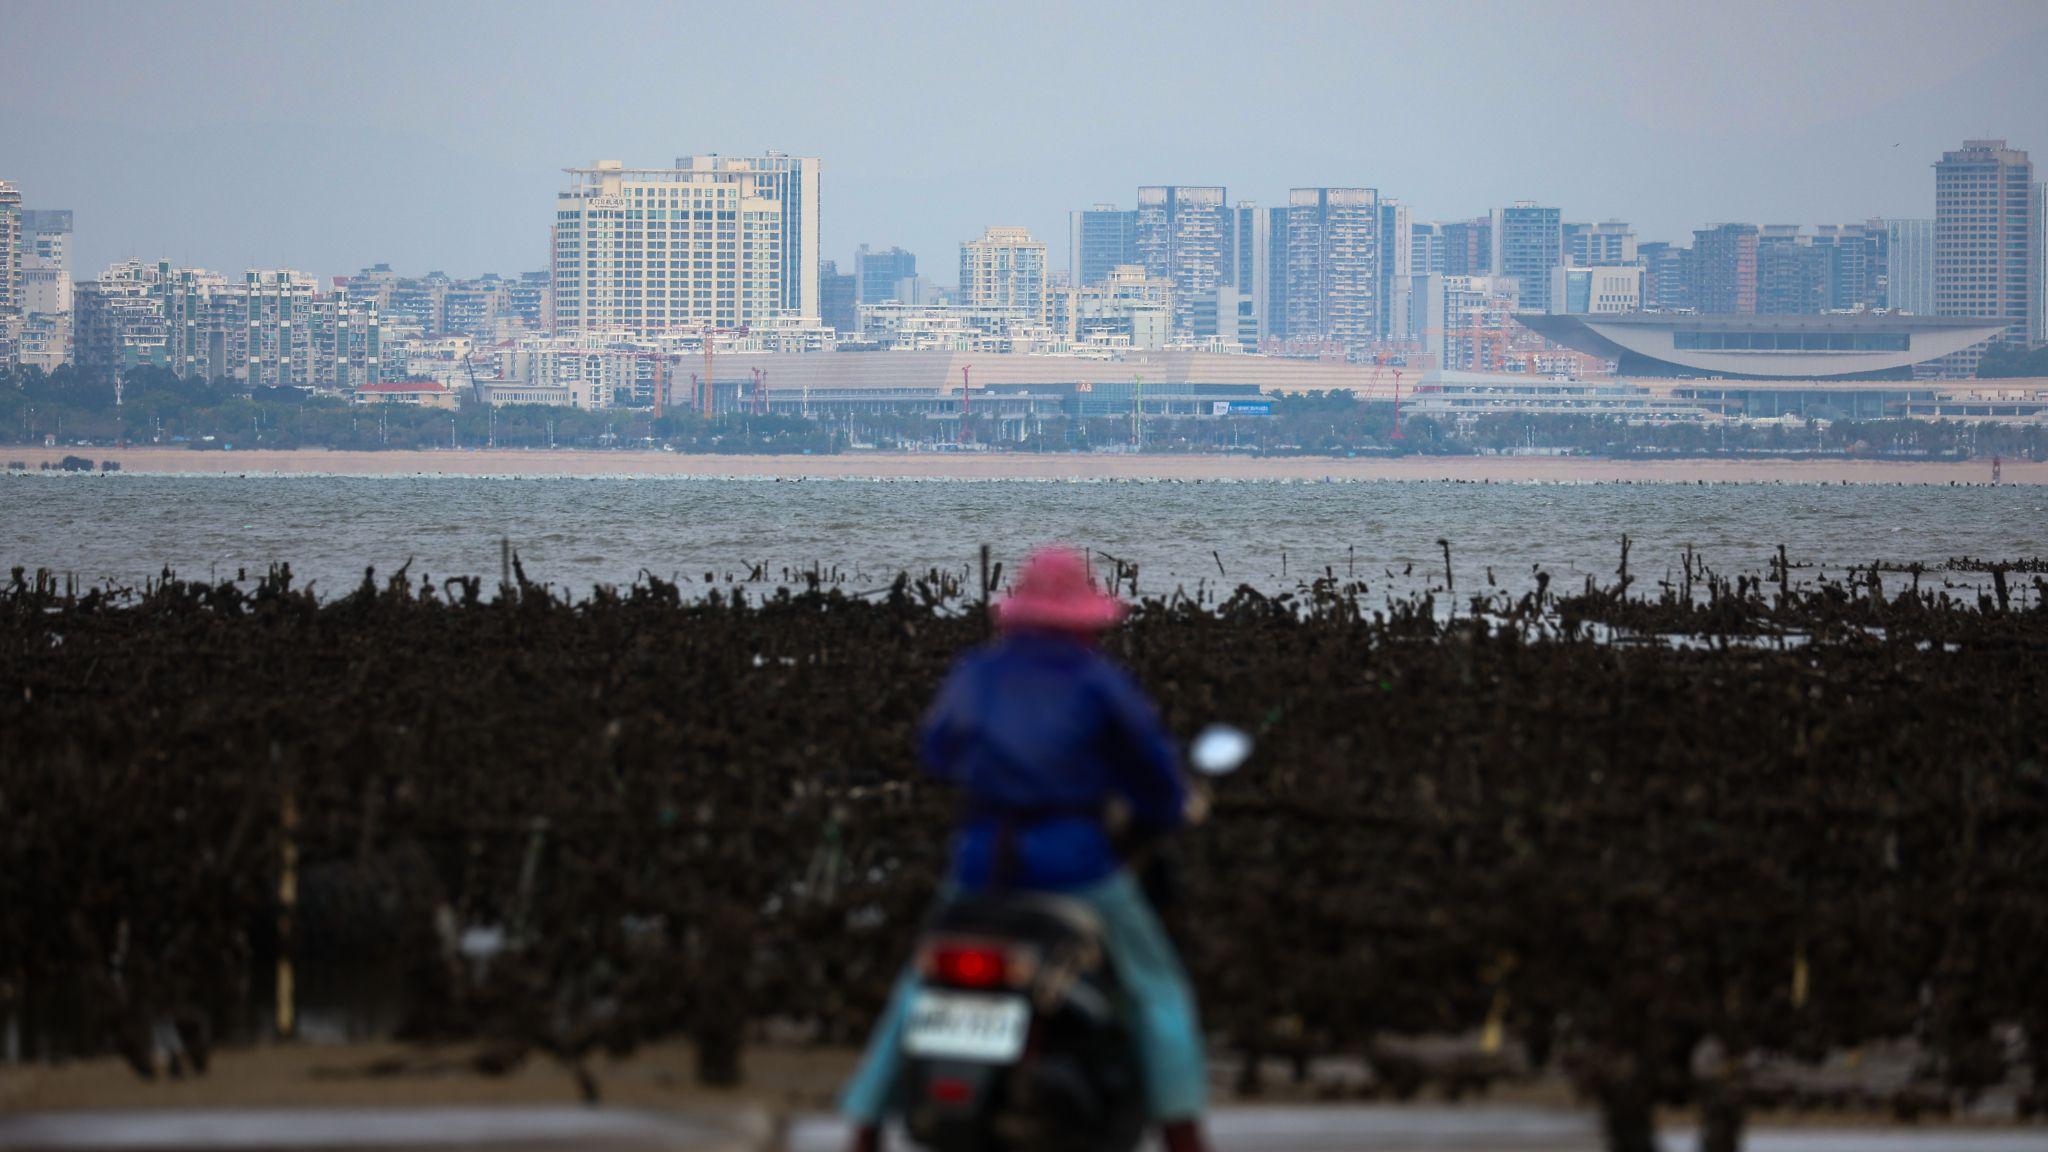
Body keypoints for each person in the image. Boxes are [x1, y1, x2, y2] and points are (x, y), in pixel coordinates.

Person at [839, 546, 1212, 1152]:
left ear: (1013, 616)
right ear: (1088, 622)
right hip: (1077, 867)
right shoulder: (1098, 682)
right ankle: (1183, 1131)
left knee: (916, 986)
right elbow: (1154, 776)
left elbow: (936, 752)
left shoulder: (977, 673)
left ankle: (862, 1125)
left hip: (982, 864)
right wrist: (1162, 810)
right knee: (1155, 986)